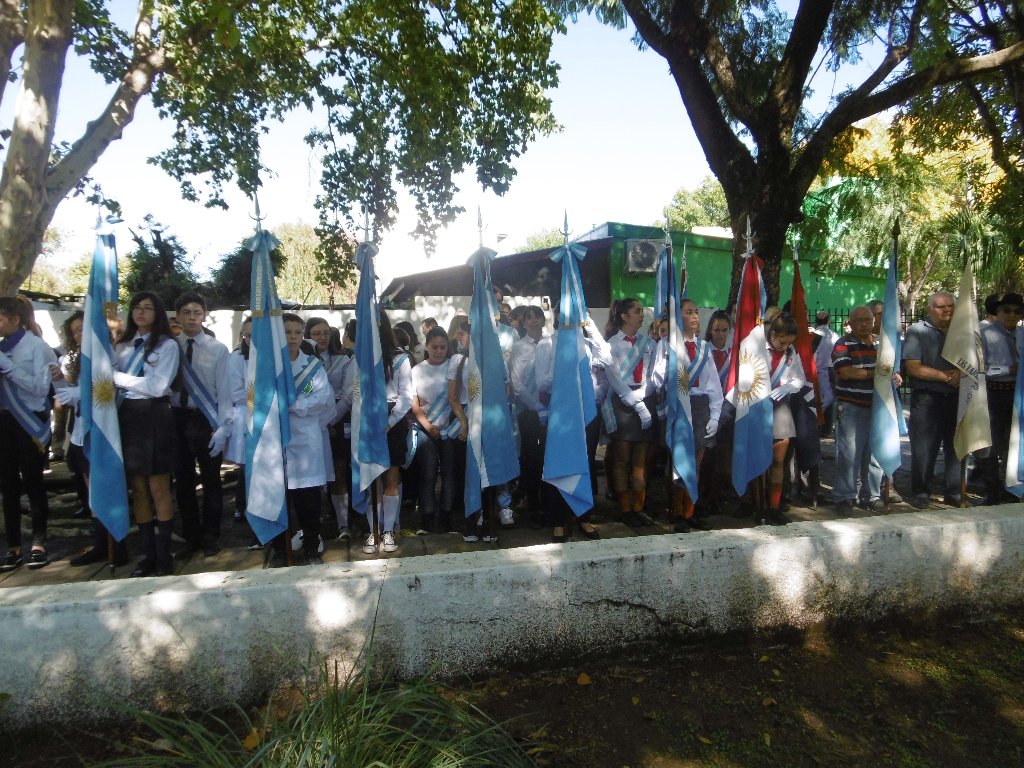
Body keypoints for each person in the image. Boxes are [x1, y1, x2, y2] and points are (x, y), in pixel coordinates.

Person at [112, 291, 181, 577]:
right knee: (137, 488)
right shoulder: (122, 345)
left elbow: (157, 386)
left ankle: (164, 553)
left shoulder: (167, 346)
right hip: (128, 416)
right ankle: (148, 553)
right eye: (136, 307)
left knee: (158, 486)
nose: (140, 313)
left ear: (158, 313)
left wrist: (116, 378)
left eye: (148, 308)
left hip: (155, 416)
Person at [269, 313, 334, 566]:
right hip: (278, 440)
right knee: (279, 498)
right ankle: (279, 549)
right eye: (287, 332)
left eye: (297, 332)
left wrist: (295, 405)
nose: (292, 337)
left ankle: (310, 548)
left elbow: (324, 399)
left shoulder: (313, 366)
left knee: (308, 500)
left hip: (306, 439)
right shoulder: (270, 366)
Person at [653, 299, 723, 532]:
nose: (695, 316)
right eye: (688, 312)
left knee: (696, 463)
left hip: (701, 406)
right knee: (678, 462)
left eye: (696, 312)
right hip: (679, 405)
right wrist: (667, 368)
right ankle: (675, 512)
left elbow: (713, 384)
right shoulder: (666, 345)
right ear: (678, 317)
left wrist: (714, 415)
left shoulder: (704, 348)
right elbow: (656, 379)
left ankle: (690, 510)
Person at [171, 291, 232, 558]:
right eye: (187, 312)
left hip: (206, 418)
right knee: (183, 481)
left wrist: (223, 426)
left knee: (211, 480)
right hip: (177, 417)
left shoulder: (218, 349)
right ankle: (191, 537)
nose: (192, 317)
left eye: (197, 312)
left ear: (204, 316)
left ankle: (210, 535)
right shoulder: (170, 347)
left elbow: (225, 390)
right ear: (178, 317)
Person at [0, 296, 57, 571]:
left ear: (15, 320)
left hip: (29, 423)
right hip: (3, 423)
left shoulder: (38, 347)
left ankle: (38, 543)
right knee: (8, 486)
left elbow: (39, 387)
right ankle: (12, 546)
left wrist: (7, 366)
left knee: (34, 483)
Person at [831, 306, 902, 514]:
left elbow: (892, 370)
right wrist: (878, 373)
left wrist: (894, 376)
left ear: (873, 321)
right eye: (859, 320)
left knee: (875, 455)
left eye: (867, 320)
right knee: (849, 454)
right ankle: (844, 497)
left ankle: (871, 496)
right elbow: (846, 372)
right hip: (852, 406)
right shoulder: (843, 344)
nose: (864, 324)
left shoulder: (882, 343)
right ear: (850, 323)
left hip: (879, 406)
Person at [362, 311, 414, 555]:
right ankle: (374, 529)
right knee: (372, 479)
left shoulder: (400, 359)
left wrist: (389, 423)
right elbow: (353, 392)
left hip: (391, 420)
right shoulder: (359, 357)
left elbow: (406, 397)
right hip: (367, 421)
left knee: (391, 479)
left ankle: (389, 530)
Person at [903, 292, 961, 508]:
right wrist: (948, 376)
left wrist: (960, 375)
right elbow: (913, 367)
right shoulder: (918, 331)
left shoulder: (961, 332)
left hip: (956, 398)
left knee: (956, 447)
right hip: (927, 399)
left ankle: (954, 492)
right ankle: (921, 491)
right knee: (924, 447)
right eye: (941, 307)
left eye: (950, 306)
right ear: (929, 310)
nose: (947, 310)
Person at [603, 298, 657, 529]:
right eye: (636, 311)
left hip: (644, 397)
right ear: (624, 316)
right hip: (623, 402)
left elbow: (654, 373)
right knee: (621, 458)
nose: (641, 315)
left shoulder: (649, 343)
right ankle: (624, 508)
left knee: (640, 460)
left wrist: (643, 395)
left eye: (641, 311)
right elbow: (613, 376)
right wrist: (633, 400)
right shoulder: (612, 344)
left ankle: (639, 507)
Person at [410, 327, 459, 533]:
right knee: (428, 474)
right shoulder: (417, 370)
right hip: (425, 428)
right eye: (434, 347)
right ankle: (427, 516)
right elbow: (414, 404)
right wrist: (428, 426)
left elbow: (458, 398)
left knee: (449, 474)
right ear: (426, 347)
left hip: (450, 428)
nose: (439, 351)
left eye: (443, 347)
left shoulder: (453, 367)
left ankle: (446, 515)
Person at [979, 292, 1023, 504]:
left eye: (1016, 311)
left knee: (1012, 443)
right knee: (991, 444)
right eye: (1006, 310)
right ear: (997, 312)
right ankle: (991, 490)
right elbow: (979, 369)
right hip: (994, 393)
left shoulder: (1022, 334)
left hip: (1017, 396)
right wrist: (1008, 369)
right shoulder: (984, 333)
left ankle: (1011, 488)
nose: (1011, 315)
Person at [508, 305, 549, 528]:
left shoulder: (551, 344)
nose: (534, 321)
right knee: (531, 456)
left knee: (548, 456)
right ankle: (532, 503)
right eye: (529, 318)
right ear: (523, 323)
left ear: (544, 320)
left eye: (538, 317)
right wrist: (536, 406)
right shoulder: (519, 348)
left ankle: (549, 500)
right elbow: (516, 384)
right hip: (529, 411)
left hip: (551, 411)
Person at [763, 313, 806, 524]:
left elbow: (800, 378)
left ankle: (774, 506)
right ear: (772, 334)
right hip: (759, 408)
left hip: (781, 408)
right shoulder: (758, 349)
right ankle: (754, 503)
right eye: (781, 341)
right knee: (758, 459)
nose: (784, 346)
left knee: (778, 461)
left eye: (789, 343)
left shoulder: (790, 353)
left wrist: (790, 386)